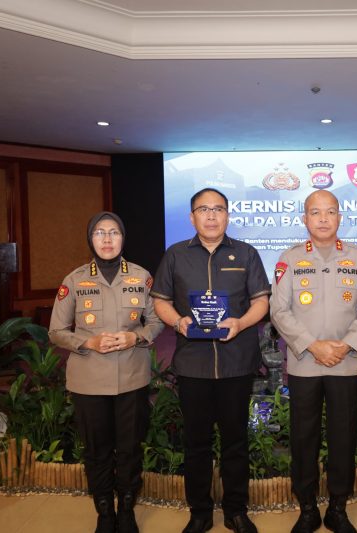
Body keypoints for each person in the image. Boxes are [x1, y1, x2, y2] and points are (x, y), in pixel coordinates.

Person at [150, 188, 271, 533]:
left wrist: (241, 322)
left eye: (218, 209)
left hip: (236, 362)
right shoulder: (175, 255)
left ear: (228, 215)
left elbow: (261, 302)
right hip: (193, 365)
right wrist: (177, 321)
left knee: (236, 440)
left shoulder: (246, 254)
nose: (212, 215)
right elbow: (160, 301)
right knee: (196, 443)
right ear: (192, 217)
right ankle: (199, 512)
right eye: (204, 209)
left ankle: (236, 511)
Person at [270, 190, 357, 533]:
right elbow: (279, 311)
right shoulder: (289, 259)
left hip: (344, 364)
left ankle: (337, 508)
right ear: (304, 219)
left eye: (329, 212)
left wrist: (346, 346)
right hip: (304, 363)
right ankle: (306, 508)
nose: (322, 218)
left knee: (342, 436)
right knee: (303, 438)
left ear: (339, 217)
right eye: (314, 213)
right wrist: (312, 345)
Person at [49, 211, 165, 533]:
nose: (107, 239)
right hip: (89, 381)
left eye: (114, 233)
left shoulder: (141, 277)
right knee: (97, 450)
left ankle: (127, 509)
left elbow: (156, 322)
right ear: (91, 239)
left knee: (129, 448)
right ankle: (104, 511)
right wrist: (89, 342)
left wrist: (135, 336)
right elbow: (56, 331)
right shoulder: (73, 281)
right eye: (100, 233)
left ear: (123, 238)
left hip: (132, 378)